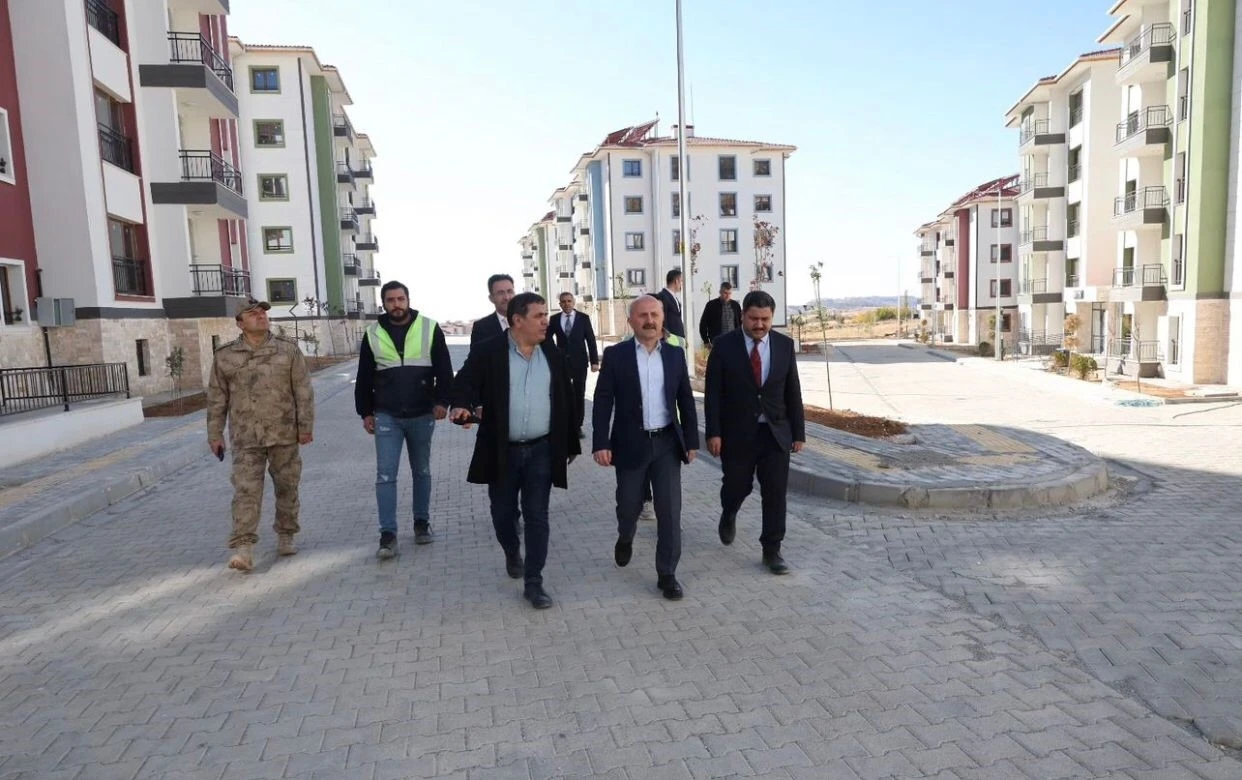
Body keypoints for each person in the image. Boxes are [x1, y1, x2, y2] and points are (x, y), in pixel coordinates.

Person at [451, 292, 580, 609]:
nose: (546, 321)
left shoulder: (551, 353)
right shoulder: (489, 351)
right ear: (517, 320)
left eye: (545, 315)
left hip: (541, 450)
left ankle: (534, 583)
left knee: (537, 516)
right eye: (539, 316)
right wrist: (460, 405)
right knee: (502, 515)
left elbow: (566, 399)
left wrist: (570, 442)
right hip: (502, 451)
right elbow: (464, 382)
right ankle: (511, 550)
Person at [592, 295, 698, 600]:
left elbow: (685, 399)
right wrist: (600, 442)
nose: (649, 320)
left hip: (666, 444)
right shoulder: (616, 355)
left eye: (654, 314)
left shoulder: (675, 355)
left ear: (663, 318)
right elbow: (603, 400)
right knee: (629, 506)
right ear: (631, 321)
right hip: (630, 443)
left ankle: (667, 574)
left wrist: (692, 441)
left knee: (669, 511)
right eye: (642, 315)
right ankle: (625, 536)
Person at [207, 298, 314, 572]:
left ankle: (286, 534)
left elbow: (303, 391)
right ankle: (243, 548)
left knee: (287, 487)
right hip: (246, 437)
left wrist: (305, 427)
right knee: (246, 492)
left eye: (263, 313)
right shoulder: (225, 356)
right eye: (253, 314)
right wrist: (215, 434)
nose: (261, 316)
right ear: (240, 323)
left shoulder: (287, 350)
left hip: (284, 433)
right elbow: (217, 398)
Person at [704, 290, 806, 575]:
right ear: (742, 317)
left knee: (775, 492)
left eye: (765, 319)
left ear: (772, 318)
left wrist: (798, 433)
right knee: (737, 486)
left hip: (775, 433)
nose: (759, 325)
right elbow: (712, 394)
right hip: (737, 433)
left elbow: (793, 391)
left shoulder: (784, 345)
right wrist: (713, 432)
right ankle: (729, 511)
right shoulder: (724, 346)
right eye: (753, 319)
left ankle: (772, 549)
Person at [355, 280, 454, 558]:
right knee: (385, 475)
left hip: (422, 413)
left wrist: (442, 402)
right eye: (391, 300)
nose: (396, 304)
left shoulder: (429, 328)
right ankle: (387, 535)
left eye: (400, 299)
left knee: (421, 471)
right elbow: (364, 377)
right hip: (387, 415)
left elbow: (444, 369)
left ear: (408, 300)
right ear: (384, 303)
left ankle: (421, 524)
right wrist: (365, 412)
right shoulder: (372, 333)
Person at [549, 291, 599, 439]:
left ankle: (577, 427)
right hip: (561, 364)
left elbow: (590, 340)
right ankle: (564, 425)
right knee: (562, 394)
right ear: (560, 304)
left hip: (579, 363)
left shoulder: (583, 318)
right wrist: (553, 355)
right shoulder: (554, 319)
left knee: (578, 394)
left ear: (574, 302)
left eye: (569, 301)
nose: (566, 304)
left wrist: (594, 361)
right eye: (563, 301)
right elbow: (547, 339)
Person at [470, 274, 516, 349]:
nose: (507, 297)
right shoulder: (481, 327)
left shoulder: (529, 321)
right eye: (500, 293)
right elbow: (476, 355)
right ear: (491, 298)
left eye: (510, 291)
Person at [699, 282, 742, 347]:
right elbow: (703, 324)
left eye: (729, 293)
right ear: (720, 292)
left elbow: (741, 324)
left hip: (734, 342)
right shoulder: (711, 305)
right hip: (717, 343)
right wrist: (706, 341)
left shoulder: (736, 305)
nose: (728, 296)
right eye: (725, 293)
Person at [654, 268, 686, 339]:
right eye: (681, 281)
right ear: (676, 281)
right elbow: (662, 320)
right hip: (669, 340)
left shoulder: (674, 298)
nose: (682, 284)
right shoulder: (662, 297)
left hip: (678, 339)